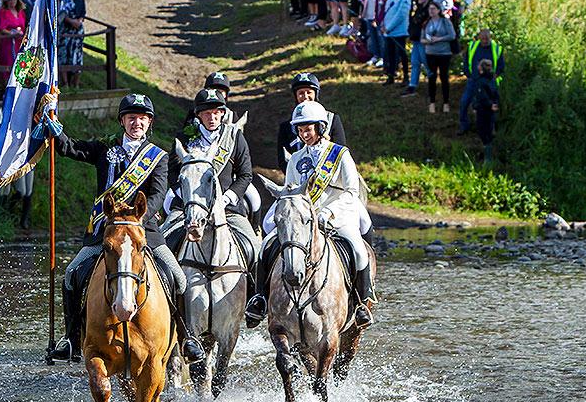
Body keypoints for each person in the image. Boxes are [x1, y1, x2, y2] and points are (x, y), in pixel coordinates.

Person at [47, 93, 206, 365]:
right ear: (123, 121)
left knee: (179, 279)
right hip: (105, 233)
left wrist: (137, 217)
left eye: (142, 118)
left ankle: (187, 337)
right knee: (72, 274)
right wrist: (54, 127)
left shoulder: (158, 157)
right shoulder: (104, 149)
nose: (137, 123)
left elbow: (157, 194)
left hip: (144, 232)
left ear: (149, 123)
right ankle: (71, 339)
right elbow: (71, 148)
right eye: (132, 117)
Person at [246, 100, 375, 329]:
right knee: (266, 244)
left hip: (336, 213)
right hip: (303, 216)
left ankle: (361, 302)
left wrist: (328, 212)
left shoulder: (340, 154)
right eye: (301, 129)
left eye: (308, 128)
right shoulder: (296, 158)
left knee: (357, 248)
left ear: (321, 127)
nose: (304, 133)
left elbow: (352, 191)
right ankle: (260, 299)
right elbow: (291, 190)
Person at [164, 87, 259, 331]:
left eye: (217, 112)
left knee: (252, 246)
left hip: (226, 208)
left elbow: (245, 173)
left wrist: (228, 198)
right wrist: (184, 197)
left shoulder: (234, 136)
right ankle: (166, 299)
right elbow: (172, 172)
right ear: (199, 116)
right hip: (190, 207)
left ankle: (255, 300)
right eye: (207, 113)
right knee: (165, 243)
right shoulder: (185, 137)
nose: (213, 117)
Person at [275, 73, 346, 169]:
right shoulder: (286, 127)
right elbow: (283, 160)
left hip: (329, 176)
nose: (305, 96)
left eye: (309, 92)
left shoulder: (332, 119)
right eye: (301, 93)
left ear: (316, 94)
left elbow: (340, 152)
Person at [460, 29, 504, 135]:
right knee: (464, 102)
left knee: (491, 105)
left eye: (486, 39)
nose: (484, 41)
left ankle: (491, 128)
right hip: (473, 80)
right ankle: (464, 126)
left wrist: (495, 75)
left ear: (490, 38)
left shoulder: (497, 49)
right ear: (479, 37)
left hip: (489, 82)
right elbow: (466, 62)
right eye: (482, 38)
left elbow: (501, 65)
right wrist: (468, 75)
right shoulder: (472, 47)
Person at [421, 1, 456, 114]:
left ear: (438, 10)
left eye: (433, 9)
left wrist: (439, 39)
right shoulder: (426, 23)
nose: (431, 11)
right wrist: (427, 41)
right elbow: (421, 38)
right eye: (430, 9)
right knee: (432, 77)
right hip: (430, 52)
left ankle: (446, 102)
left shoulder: (445, 22)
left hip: (444, 53)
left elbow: (452, 35)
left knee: (444, 77)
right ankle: (432, 102)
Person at [401, 0, 431, 98]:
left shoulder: (429, 9)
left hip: (424, 39)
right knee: (415, 62)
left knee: (426, 62)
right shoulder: (419, 8)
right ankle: (412, 85)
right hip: (416, 38)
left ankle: (431, 84)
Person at [380, 0, 410, 87]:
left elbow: (400, 15)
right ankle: (391, 76)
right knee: (390, 54)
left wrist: (389, 27)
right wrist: (383, 24)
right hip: (388, 31)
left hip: (399, 31)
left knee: (402, 54)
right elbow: (386, 11)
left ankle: (406, 76)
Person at [0, 0, 26, 83]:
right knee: (8, 61)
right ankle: (7, 84)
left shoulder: (20, 12)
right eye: (10, 0)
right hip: (8, 42)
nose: (12, 2)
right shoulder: (2, 12)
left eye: (14, 0)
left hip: (19, 41)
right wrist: (11, 33)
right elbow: (0, 27)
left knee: (20, 61)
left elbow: (23, 26)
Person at [58, 0, 85, 88]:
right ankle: (65, 83)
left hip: (77, 30)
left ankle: (76, 83)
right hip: (64, 29)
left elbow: (82, 12)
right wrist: (69, 21)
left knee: (76, 55)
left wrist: (78, 22)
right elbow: (60, 13)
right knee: (63, 54)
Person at [470, 59, 500, 163]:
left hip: (483, 109)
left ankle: (487, 158)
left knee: (483, 130)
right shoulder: (493, 79)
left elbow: (481, 96)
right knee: (489, 131)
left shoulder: (480, 81)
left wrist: (478, 106)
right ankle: (488, 155)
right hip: (491, 109)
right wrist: (494, 104)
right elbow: (496, 93)